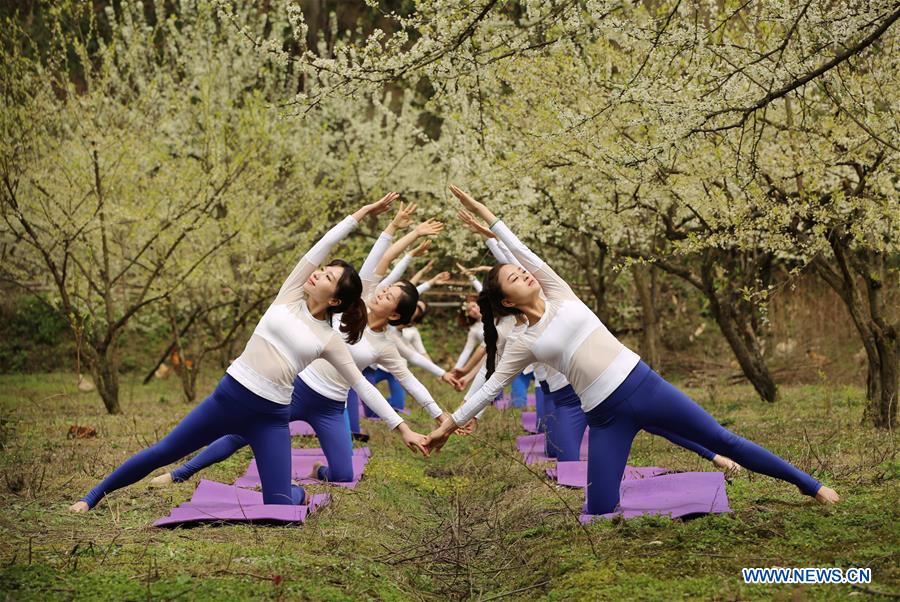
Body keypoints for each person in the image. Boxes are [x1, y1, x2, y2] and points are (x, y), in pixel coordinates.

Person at [425, 186, 839, 515]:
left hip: (642, 384)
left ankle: (811, 485)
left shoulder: (559, 293)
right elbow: (492, 385)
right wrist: (449, 424)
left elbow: (523, 250)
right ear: (508, 301)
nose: (523, 273)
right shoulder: (522, 341)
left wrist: (486, 214)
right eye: (514, 277)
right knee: (599, 507)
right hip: (604, 417)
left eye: (521, 270)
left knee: (722, 439)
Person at [70, 194, 430, 512]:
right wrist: (361, 214)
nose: (316, 275)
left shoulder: (330, 338)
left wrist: (404, 429)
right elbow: (320, 245)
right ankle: (93, 496)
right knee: (163, 452)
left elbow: (362, 387)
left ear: (335, 299)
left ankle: (296, 494)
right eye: (321, 271)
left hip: (271, 418)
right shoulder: (289, 294)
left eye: (325, 277)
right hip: (227, 398)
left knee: (280, 504)